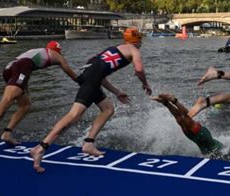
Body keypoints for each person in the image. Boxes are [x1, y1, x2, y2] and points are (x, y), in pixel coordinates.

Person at [30, 27, 152, 173]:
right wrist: (145, 83)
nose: (141, 44)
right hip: (91, 80)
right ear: (138, 40)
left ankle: (88, 143)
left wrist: (117, 92)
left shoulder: (115, 48)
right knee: (73, 116)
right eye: (141, 41)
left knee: (108, 109)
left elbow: (98, 72)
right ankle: (41, 148)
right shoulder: (134, 50)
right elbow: (138, 69)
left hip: (89, 76)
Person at [0, 41, 79, 145]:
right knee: (6, 100)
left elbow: (25, 68)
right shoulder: (56, 54)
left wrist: (24, 88)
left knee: (25, 105)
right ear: (58, 51)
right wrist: (81, 80)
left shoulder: (37, 51)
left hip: (10, 69)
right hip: (20, 67)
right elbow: (68, 70)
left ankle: (7, 133)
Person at [151, 93, 222, 155]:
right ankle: (174, 100)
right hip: (202, 135)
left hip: (195, 137)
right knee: (187, 118)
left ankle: (165, 102)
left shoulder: (217, 147)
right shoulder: (220, 149)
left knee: (180, 120)